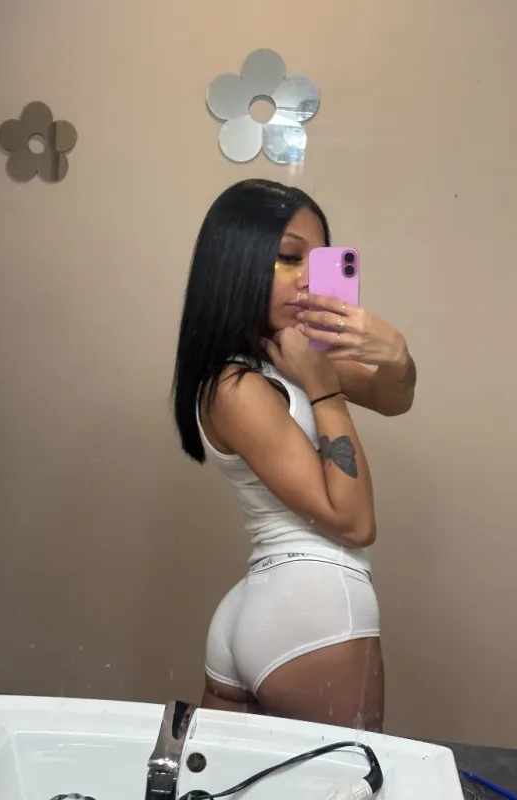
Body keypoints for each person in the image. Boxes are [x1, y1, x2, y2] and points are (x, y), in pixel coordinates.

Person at [173, 179, 416, 732]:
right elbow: (354, 522)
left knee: (234, 777)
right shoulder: (236, 387)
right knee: (344, 775)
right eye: (288, 257)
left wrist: (397, 357)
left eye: (319, 259)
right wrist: (323, 387)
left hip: (269, 602)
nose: (309, 277)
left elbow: (394, 398)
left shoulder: (281, 357)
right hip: (313, 608)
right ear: (236, 262)